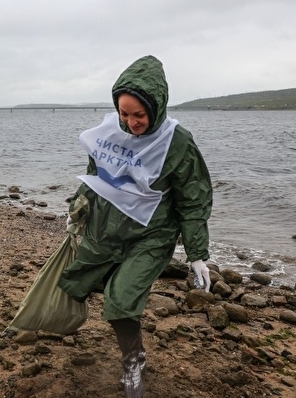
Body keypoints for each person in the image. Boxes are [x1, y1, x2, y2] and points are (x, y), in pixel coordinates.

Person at [58, 55, 213, 398]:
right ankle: (129, 338)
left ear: (156, 107)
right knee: (80, 281)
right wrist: (78, 207)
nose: (131, 122)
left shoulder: (178, 142)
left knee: (121, 300)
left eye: (139, 115)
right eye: (124, 114)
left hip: (151, 234)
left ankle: (133, 361)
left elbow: (193, 198)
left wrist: (197, 254)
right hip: (106, 227)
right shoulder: (110, 132)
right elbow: (96, 175)